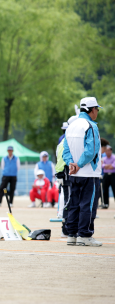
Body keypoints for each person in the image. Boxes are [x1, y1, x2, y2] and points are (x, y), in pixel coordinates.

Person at [63, 97, 103, 247]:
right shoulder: (91, 126)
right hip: (89, 173)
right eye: (97, 109)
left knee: (74, 203)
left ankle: (71, 234)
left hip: (73, 173)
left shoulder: (71, 126)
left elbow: (65, 150)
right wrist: (79, 165)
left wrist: (71, 165)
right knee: (88, 204)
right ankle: (85, 235)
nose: (97, 112)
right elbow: (91, 150)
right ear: (92, 110)